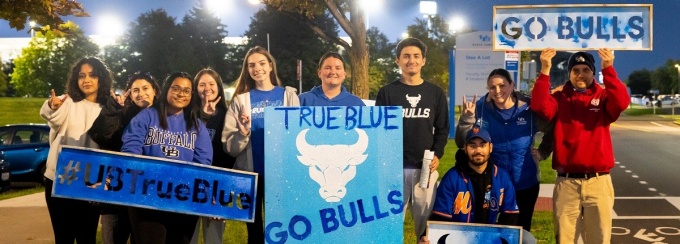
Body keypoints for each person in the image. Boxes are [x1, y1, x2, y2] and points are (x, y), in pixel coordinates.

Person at [531, 48, 629, 244]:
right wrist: (545, 69)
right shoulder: (560, 99)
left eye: (586, 70)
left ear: (593, 73)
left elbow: (621, 102)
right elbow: (539, 105)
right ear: (570, 74)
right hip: (567, 183)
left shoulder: (602, 98)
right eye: (576, 70)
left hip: (598, 182)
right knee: (565, 239)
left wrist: (608, 68)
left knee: (599, 239)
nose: (581, 74)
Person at [455, 68, 552, 232]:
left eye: (502, 85)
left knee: (521, 230)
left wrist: (543, 151)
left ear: (512, 85)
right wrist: (467, 119)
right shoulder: (480, 109)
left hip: (525, 183)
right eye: (492, 87)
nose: (497, 91)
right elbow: (461, 142)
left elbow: (552, 128)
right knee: (488, 229)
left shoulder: (529, 108)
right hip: (491, 183)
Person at [121, 72, 213, 244]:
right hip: (146, 196)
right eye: (176, 88)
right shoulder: (146, 116)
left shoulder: (196, 125)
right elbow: (131, 149)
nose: (181, 93)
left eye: (186, 91)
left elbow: (203, 162)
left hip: (182, 199)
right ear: (165, 90)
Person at [221, 46, 300, 243]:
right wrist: (243, 133)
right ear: (247, 70)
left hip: (280, 175)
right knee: (254, 234)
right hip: (251, 176)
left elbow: (298, 136)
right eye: (252, 65)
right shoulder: (240, 100)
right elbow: (229, 147)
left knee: (280, 231)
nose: (257, 68)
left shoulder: (288, 96)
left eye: (262, 63)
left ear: (271, 66)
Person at [375, 37, 449, 239]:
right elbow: (379, 132)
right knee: (389, 226)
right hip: (393, 170)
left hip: (424, 168)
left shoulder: (435, 93)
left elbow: (442, 129)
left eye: (416, 56)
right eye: (406, 56)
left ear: (423, 60)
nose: (411, 60)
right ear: (397, 60)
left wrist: (437, 154)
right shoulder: (387, 93)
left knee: (426, 230)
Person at [39, 57, 113, 243]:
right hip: (59, 178)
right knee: (63, 237)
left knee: (87, 237)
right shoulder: (68, 102)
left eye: (92, 75)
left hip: (90, 183)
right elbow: (51, 115)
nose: (86, 80)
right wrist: (51, 105)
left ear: (101, 78)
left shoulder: (108, 108)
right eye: (81, 76)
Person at [419, 127, 535, 244]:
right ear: (465, 148)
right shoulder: (452, 177)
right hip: (459, 236)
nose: (478, 150)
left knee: (527, 240)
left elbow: (510, 215)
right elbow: (440, 217)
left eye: (482, 145)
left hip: (489, 234)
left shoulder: (501, 177)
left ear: (490, 148)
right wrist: (426, 236)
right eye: (472, 146)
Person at [88, 71, 161, 244]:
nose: (141, 93)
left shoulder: (166, 117)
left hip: (146, 193)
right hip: (116, 190)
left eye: (145, 88)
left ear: (155, 91)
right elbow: (100, 135)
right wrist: (113, 108)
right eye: (135, 90)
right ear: (130, 94)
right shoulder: (123, 114)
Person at [189, 68, 236, 244]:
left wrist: (223, 191)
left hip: (218, 186)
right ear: (195, 89)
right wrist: (203, 116)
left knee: (214, 239)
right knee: (187, 237)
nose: (207, 88)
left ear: (219, 87)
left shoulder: (228, 115)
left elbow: (230, 155)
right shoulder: (187, 115)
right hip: (190, 184)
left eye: (211, 83)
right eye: (202, 84)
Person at [298, 52, 364, 106]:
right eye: (328, 68)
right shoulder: (303, 100)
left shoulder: (356, 104)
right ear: (319, 73)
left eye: (338, 68)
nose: (332, 72)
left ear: (344, 74)